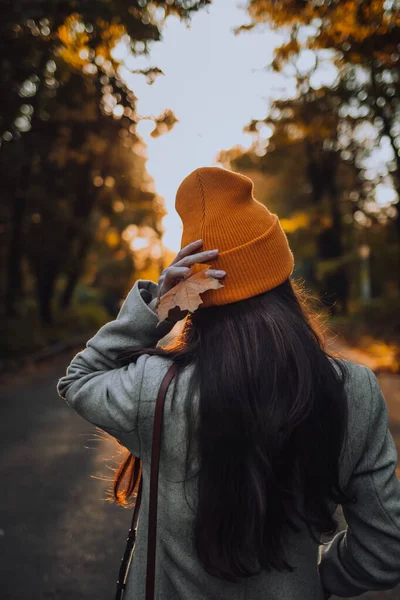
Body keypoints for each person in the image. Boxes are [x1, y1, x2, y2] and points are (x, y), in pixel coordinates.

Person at [57, 167, 400, 600]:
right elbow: (386, 549)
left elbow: (79, 378)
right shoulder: (352, 390)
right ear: (282, 279)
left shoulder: (156, 389)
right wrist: (313, 582)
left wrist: (158, 307)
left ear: (196, 294)